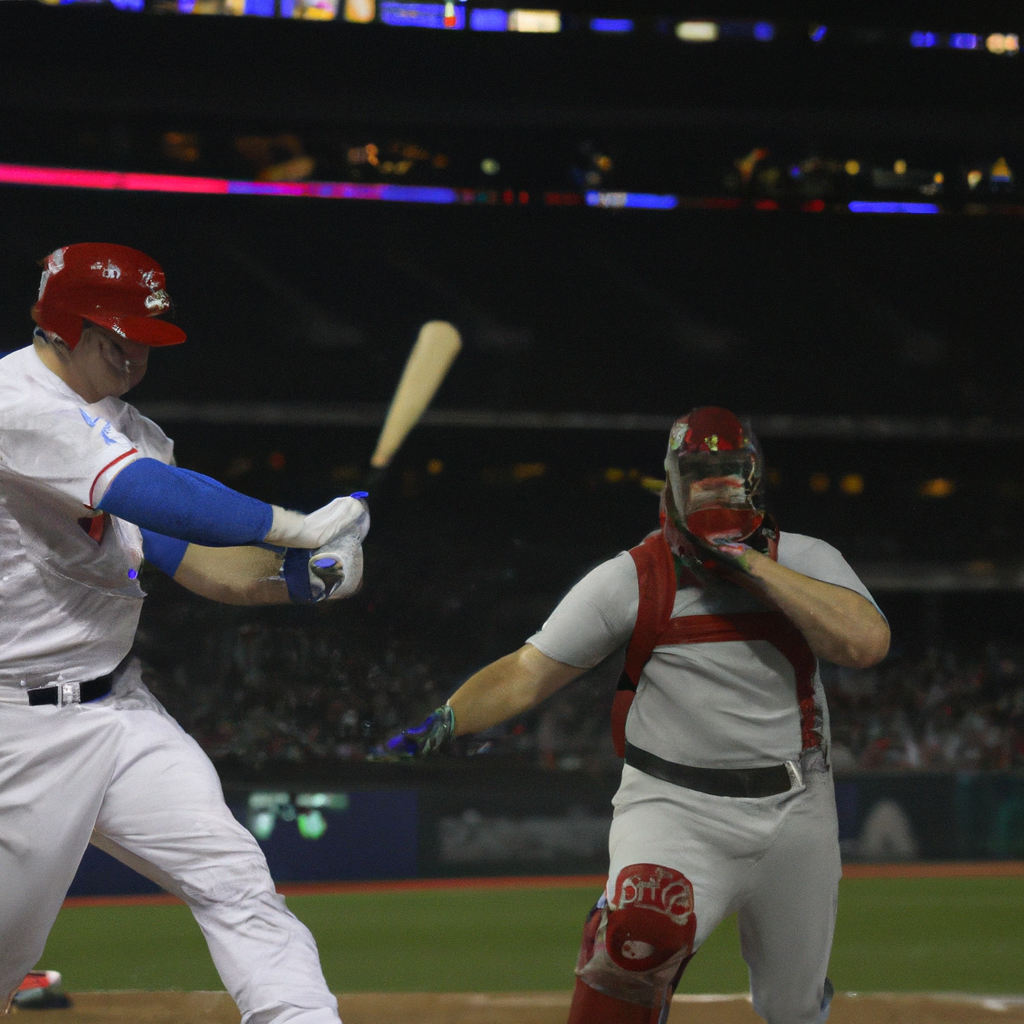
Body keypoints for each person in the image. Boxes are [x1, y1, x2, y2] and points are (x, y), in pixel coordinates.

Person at [387, 406, 890, 1024]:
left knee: (791, 1005)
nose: (711, 485)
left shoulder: (806, 560)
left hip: (798, 807)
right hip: (676, 808)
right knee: (636, 937)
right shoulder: (631, 578)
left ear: (754, 477)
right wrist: (446, 717)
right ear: (672, 482)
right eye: (697, 472)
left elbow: (864, 645)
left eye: (727, 472)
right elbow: (528, 671)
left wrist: (749, 560)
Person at [0, 243, 371, 1021]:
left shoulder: (132, 426)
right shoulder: (15, 404)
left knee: (236, 879)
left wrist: (303, 579)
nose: (136, 350)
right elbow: (150, 492)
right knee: (8, 950)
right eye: (117, 333)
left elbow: (197, 561)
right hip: (17, 727)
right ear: (63, 326)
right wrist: (295, 525)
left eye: (145, 334)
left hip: (120, 713)